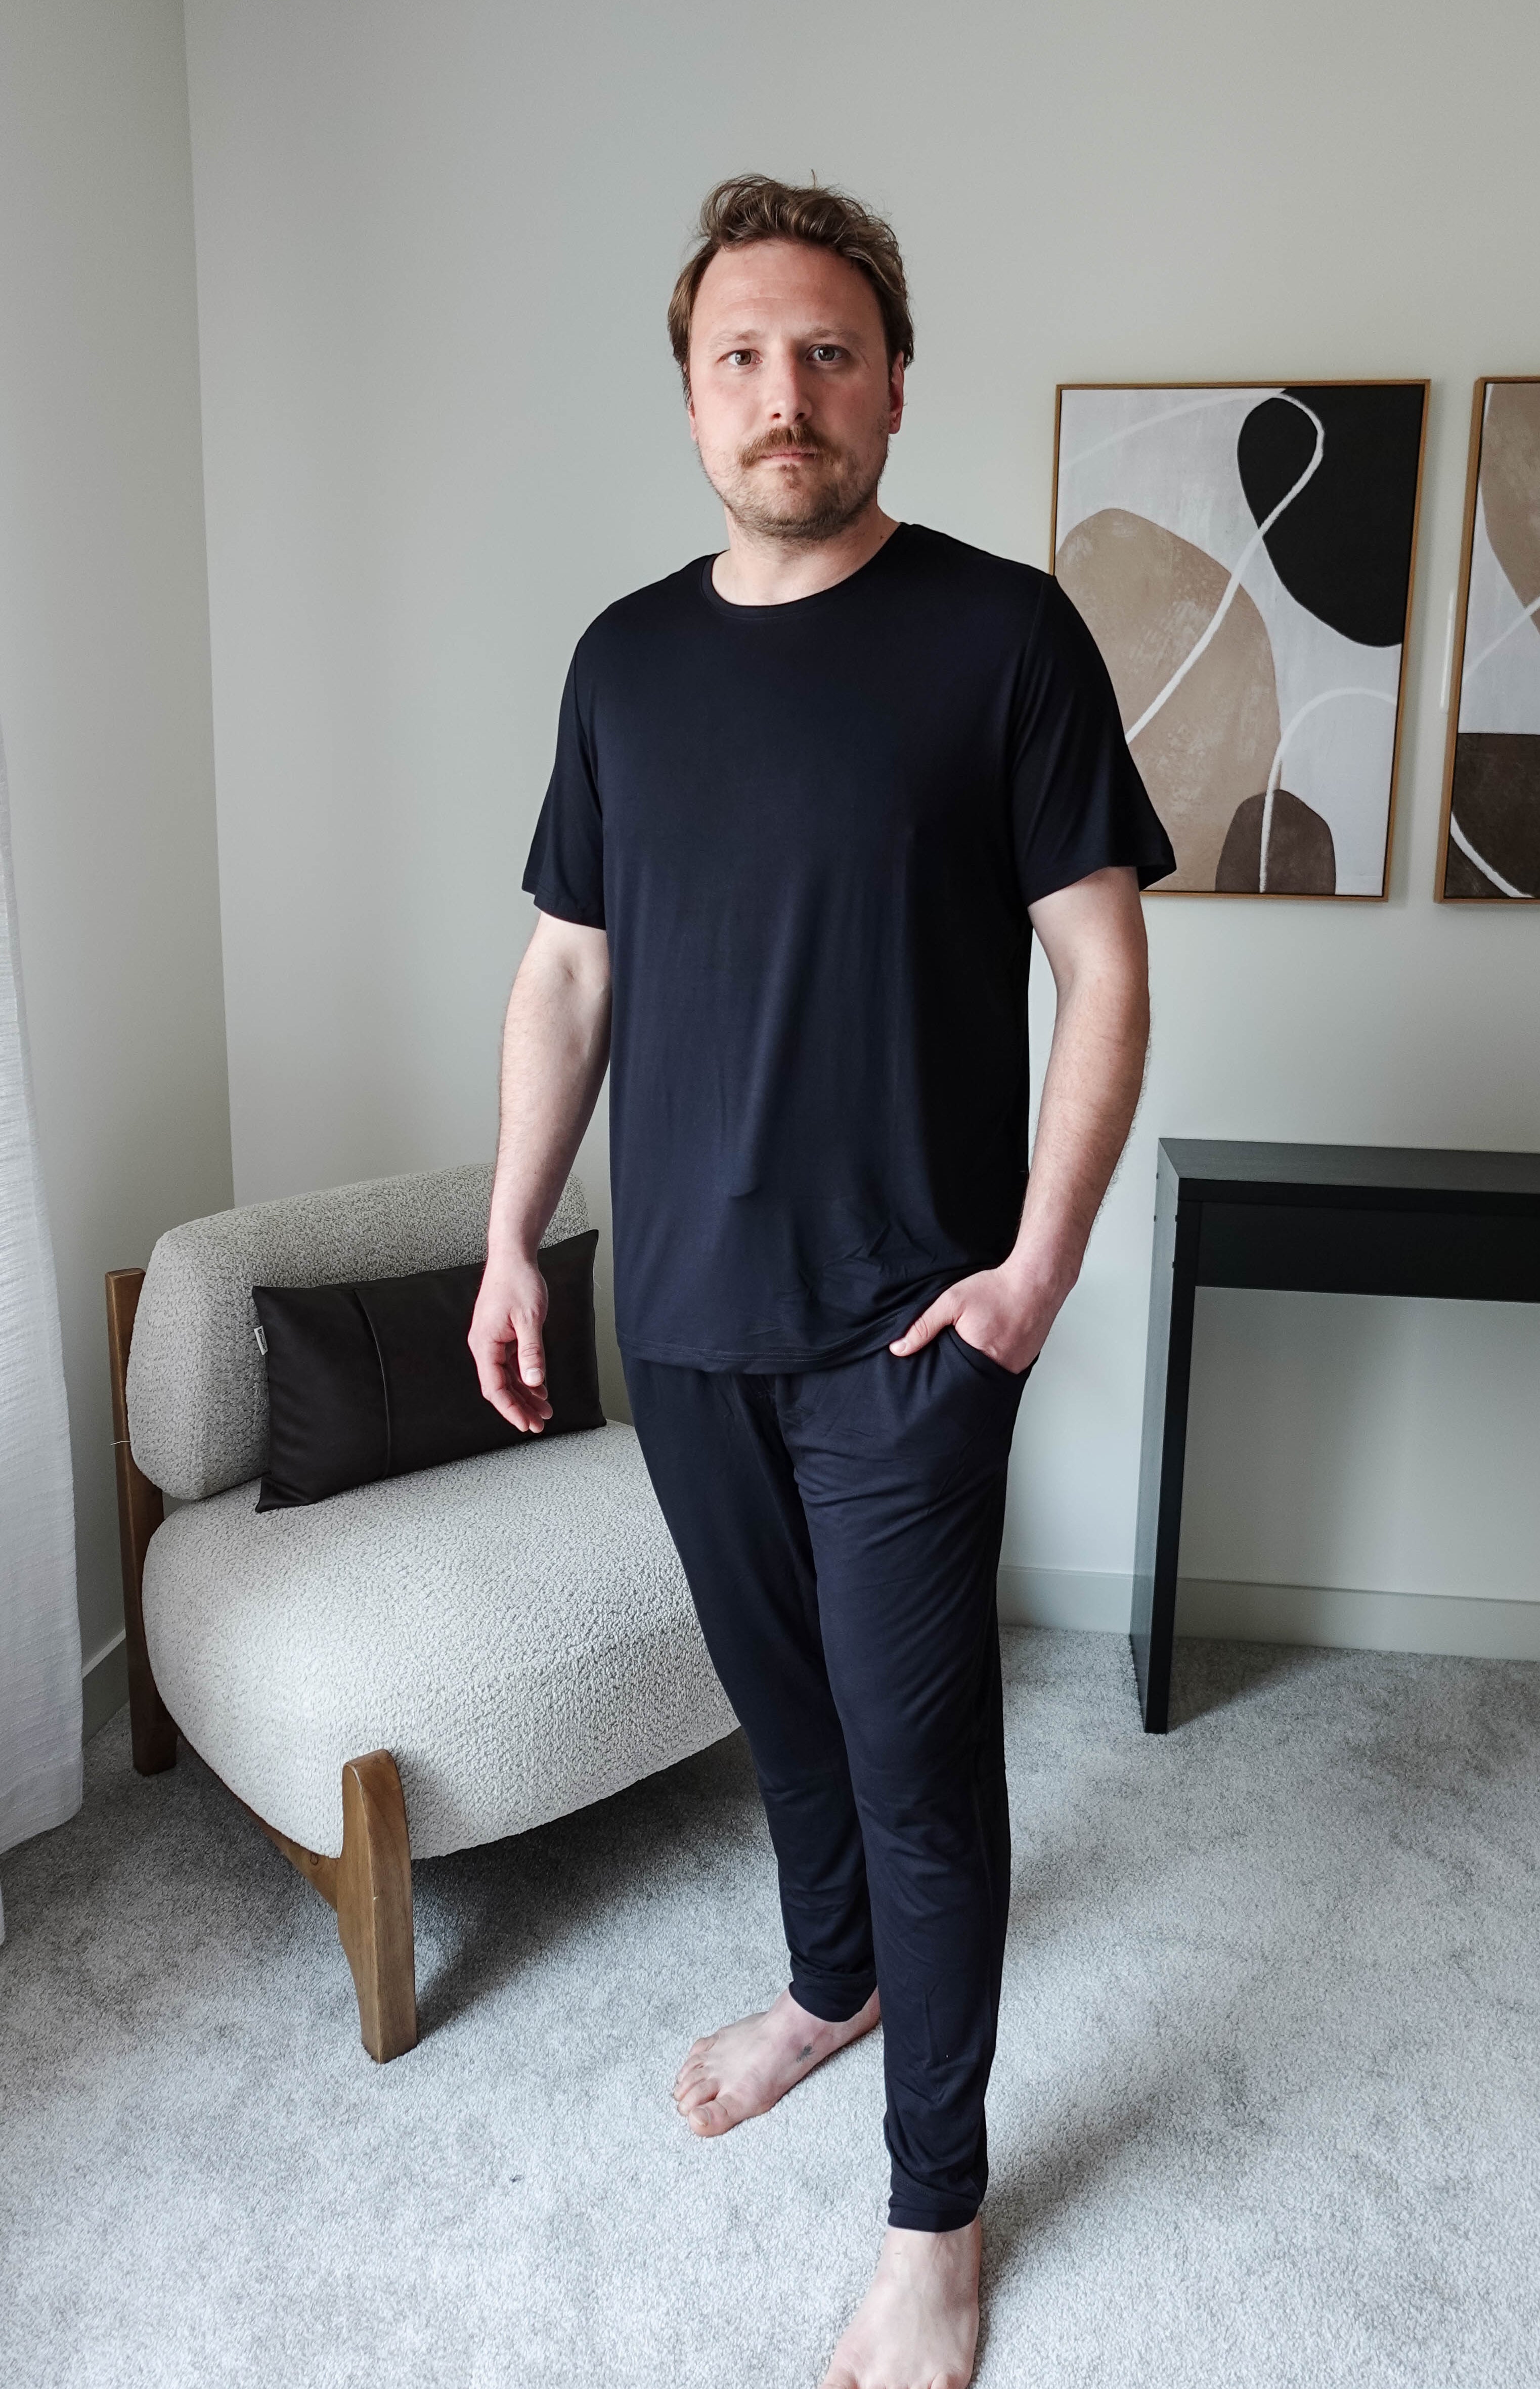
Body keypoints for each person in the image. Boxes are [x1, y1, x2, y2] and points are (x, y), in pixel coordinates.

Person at [471, 174, 1173, 2389]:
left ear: (891, 380)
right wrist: (512, 1232)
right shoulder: (623, 662)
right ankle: (828, 1977)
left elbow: (1103, 962)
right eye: (743, 357)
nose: (788, 393)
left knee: (918, 1758)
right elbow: (568, 974)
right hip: (675, 1316)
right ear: (691, 393)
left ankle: (934, 2214)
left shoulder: (1001, 637)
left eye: (830, 351)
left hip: (910, 1325)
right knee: (787, 1722)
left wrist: (1039, 1268)